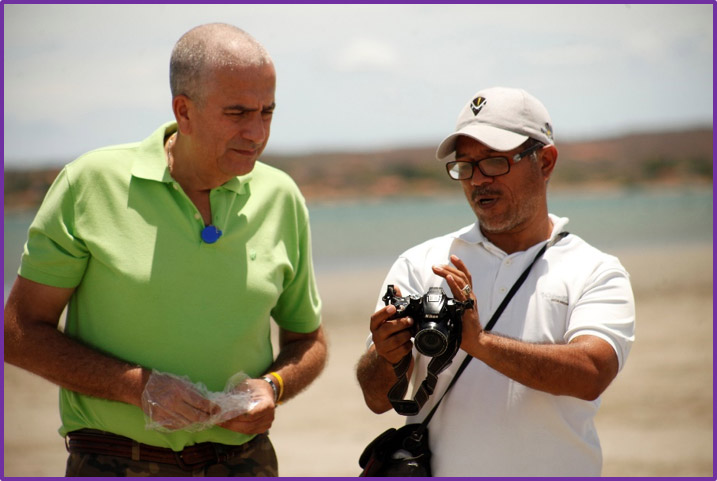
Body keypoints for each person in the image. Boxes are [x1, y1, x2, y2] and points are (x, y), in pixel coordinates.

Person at [4, 23, 327, 477]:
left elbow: (308, 341)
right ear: (184, 111)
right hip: (115, 461)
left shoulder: (282, 195)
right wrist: (136, 388)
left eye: (267, 112)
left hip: (245, 463)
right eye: (237, 113)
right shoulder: (90, 184)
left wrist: (274, 386)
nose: (257, 132)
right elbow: (18, 332)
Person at [356, 86, 635, 477]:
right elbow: (376, 399)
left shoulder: (595, 270)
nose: (477, 180)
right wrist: (386, 355)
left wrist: (480, 344)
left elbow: (591, 373)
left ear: (546, 161)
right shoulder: (422, 264)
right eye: (465, 166)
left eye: (493, 162)